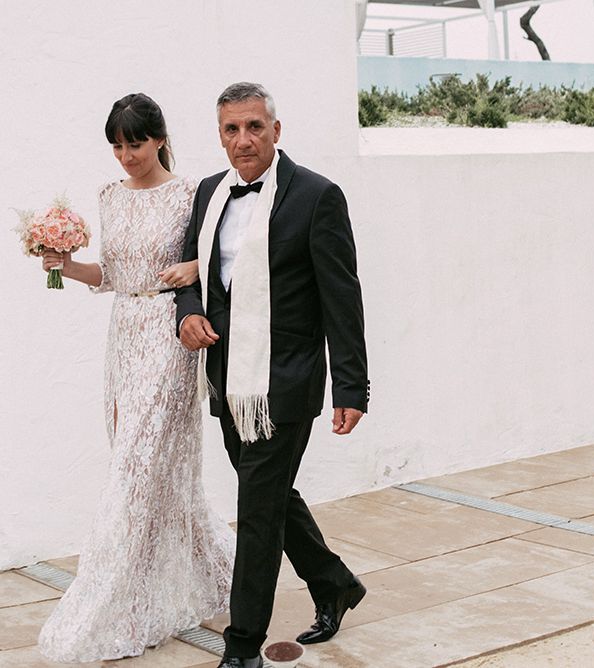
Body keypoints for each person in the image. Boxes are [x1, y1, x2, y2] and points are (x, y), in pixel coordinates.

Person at [176, 81, 369, 668]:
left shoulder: (316, 196)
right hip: (228, 378)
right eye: (231, 129)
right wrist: (188, 316)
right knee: (272, 496)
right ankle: (333, 581)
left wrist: (351, 387)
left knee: (257, 512)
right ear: (220, 136)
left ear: (276, 131)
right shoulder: (210, 193)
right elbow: (193, 274)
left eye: (254, 126)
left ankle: (241, 650)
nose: (244, 140)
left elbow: (343, 298)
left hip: (284, 381)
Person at [37, 93, 235, 662]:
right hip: (123, 333)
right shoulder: (108, 197)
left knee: (140, 465)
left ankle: (115, 594)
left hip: (171, 334)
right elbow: (111, 272)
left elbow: (223, 252)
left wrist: (194, 266)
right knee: (138, 460)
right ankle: (204, 567)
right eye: (117, 145)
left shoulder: (190, 192)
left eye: (136, 143)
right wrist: (63, 265)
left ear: (159, 138)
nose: (126, 156)